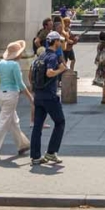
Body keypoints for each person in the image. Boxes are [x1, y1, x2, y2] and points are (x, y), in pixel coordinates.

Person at [0, 40, 32, 160]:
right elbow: (20, 83)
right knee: (3, 121)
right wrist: (30, 97)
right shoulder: (14, 65)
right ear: (17, 54)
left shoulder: (0, 62)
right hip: (11, 94)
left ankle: (22, 145)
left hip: (0, 94)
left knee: (13, 120)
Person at [29, 34, 67, 167]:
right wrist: (60, 70)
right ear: (55, 42)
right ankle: (51, 152)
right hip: (49, 96)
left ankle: (35, 157)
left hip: (38, 95)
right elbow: (49, 73)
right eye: (60, 41)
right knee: (60, 122)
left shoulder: (40, 56)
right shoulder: (52, 56)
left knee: (37, 126)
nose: (61, 43)